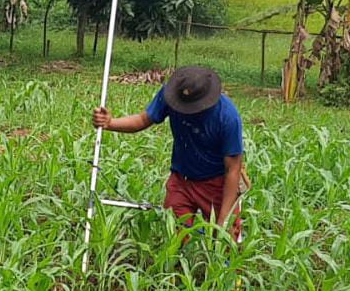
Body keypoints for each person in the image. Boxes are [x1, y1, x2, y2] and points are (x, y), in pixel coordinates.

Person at [92, 66, 245, 241]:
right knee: (175, 235)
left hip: (216, 183)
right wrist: (110, 123)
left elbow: (233, 169)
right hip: (181, 179)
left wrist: (224, 219)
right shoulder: (171, 95)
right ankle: (178, 267)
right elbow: (143, 119)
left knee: (227, 240)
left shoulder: (227, 117)